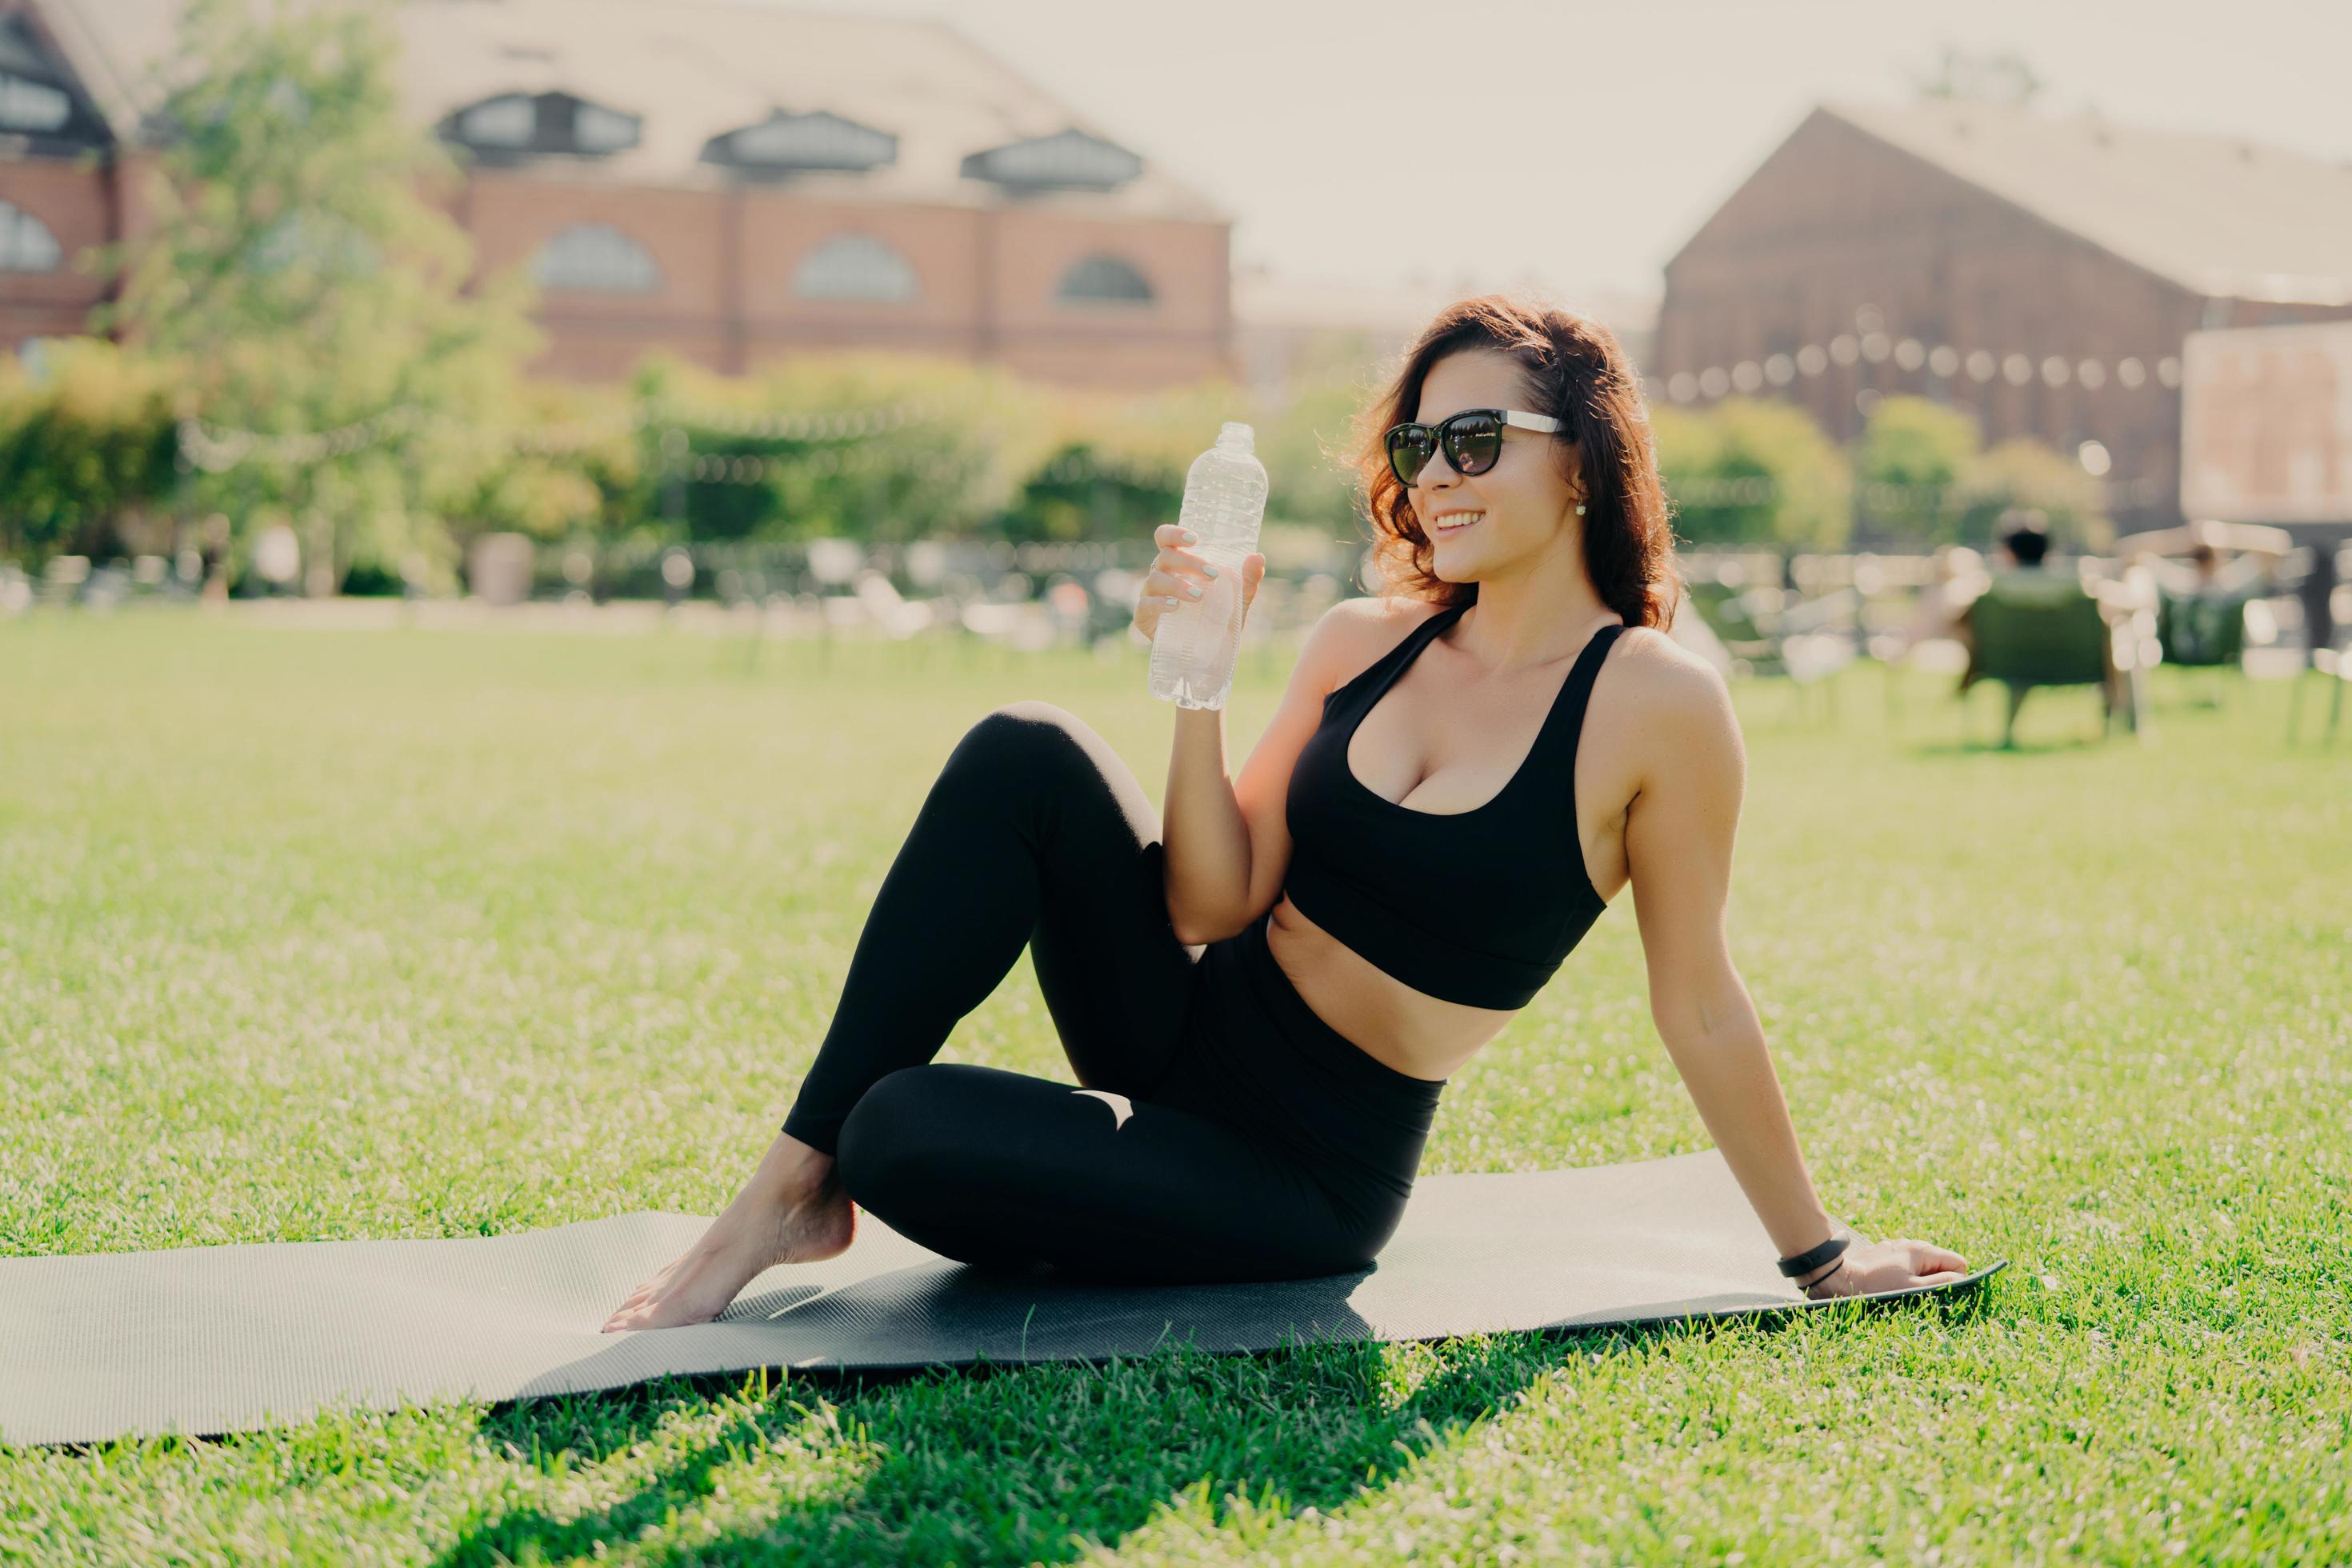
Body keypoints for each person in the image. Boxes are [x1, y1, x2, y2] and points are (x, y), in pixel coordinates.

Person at [601, 296, 1970, 1332]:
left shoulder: (1654, 704)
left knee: (905, 1127)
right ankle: (784, 1193)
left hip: (1302, 1170)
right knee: (1025, 749)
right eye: (1420, 442)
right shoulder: (1364, 637)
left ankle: (861, 1167)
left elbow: (1702, 1001)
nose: (1435, 474)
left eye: (1477, 440)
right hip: (1186, 1021)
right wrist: (1201, 673)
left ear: (1583, 468)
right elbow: (1207, 904)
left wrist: (1818, 1254)